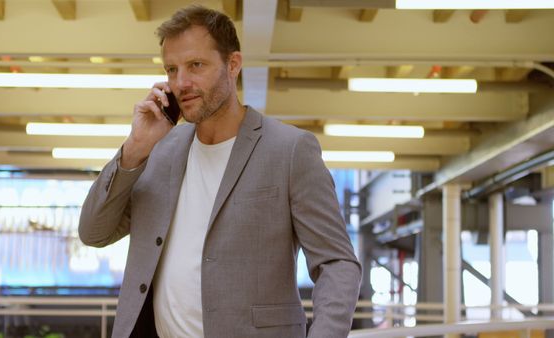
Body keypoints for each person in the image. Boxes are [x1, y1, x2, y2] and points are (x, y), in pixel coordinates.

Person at [79, 5, 361, 338]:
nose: (181, 82)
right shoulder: (159, 150)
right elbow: (94, 232)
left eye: (195, 65)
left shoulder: (290, 150)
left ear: (233, 64)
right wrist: (135, 149)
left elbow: (337, 264)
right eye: (172, 69)